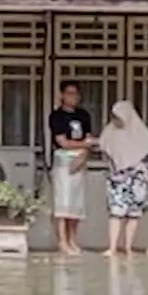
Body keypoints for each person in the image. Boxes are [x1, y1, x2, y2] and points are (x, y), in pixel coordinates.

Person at [99, 101, 148, 256]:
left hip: (137, 176)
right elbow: (104, 150)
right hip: (117, 176)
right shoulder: (109, 131)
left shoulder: (139, 131)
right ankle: (113, 247)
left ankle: (128, 247)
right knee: (116, 212)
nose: (117, 119)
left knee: (134, 214)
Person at [48, 80, 96, 255]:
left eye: (75, 94)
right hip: (63, 160)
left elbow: (90, 140)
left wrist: (84, 155)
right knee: (63, 203)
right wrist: (83, 144)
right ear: (62, 95)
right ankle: (62, 240)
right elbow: (62, 142)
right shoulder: (57, 116)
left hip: (80, 160)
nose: (73, 97)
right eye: (69, 93)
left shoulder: (84, 115)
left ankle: (73, 239)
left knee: (76, 204)